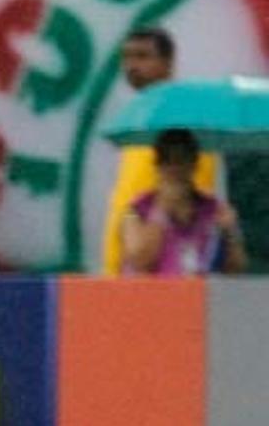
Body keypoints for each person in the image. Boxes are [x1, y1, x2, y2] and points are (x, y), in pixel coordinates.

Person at [100, 28, 221, 275]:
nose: (131, 65)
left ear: (168, 62)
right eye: (127, 57)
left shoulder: (182, 118)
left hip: (161, 274)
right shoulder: (144, 116)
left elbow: (191, 201)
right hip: (127, 270)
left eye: (142, 56)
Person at [120, 128, 247, 276]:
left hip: (198, 293)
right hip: (151, 295)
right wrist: (161, 211)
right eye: (167, 160)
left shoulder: (213, 208)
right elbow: (140, 261)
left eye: (181, 160)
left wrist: (230, 233)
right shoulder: (136, 210)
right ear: (158, 165)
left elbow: (236, 268)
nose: (174, 168)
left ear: (194, 163)